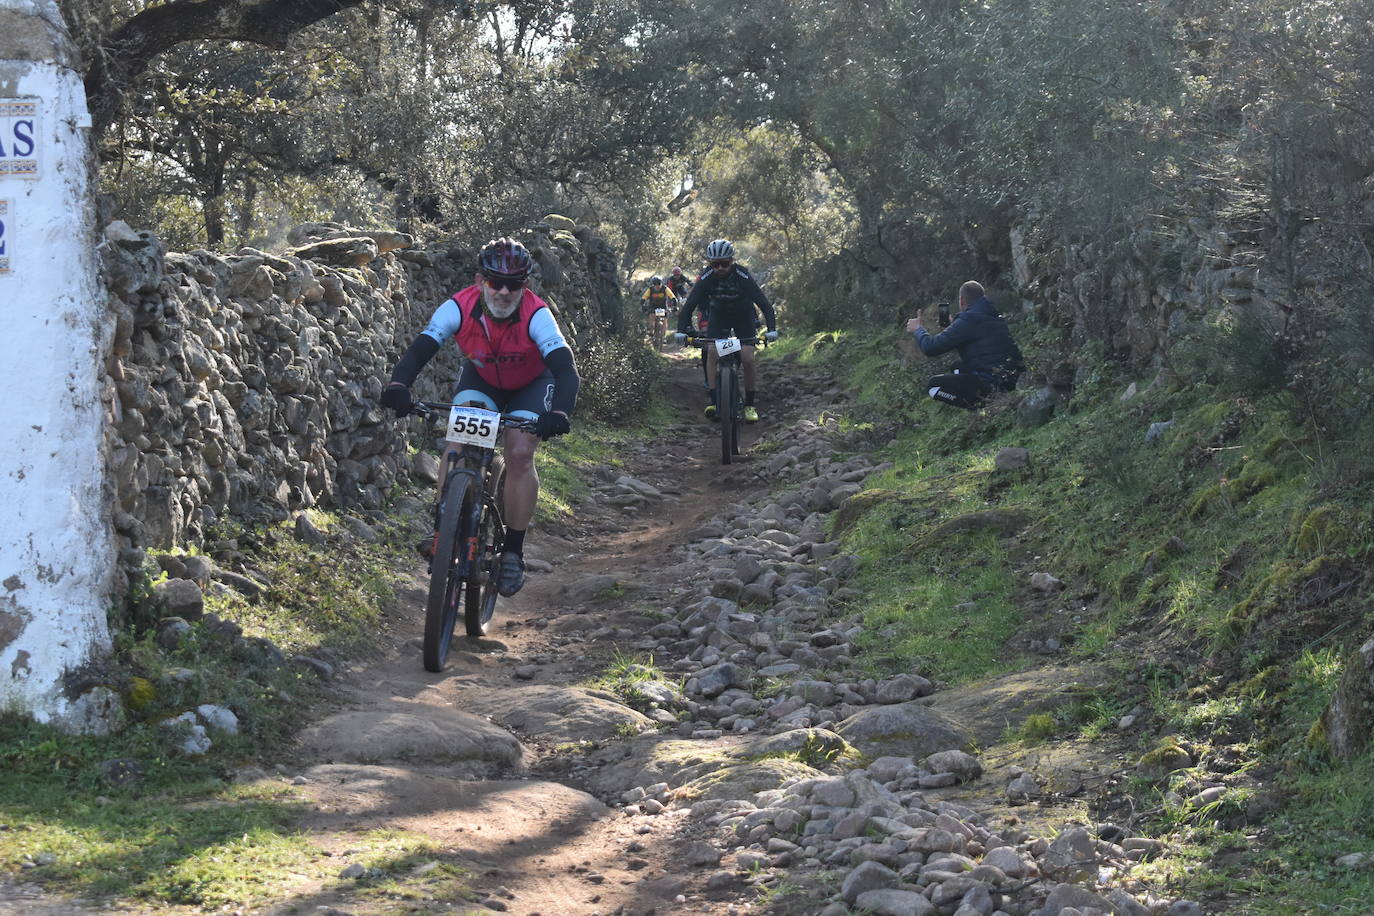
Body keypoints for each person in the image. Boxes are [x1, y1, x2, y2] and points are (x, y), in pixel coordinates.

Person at [381, 237, 579, 597]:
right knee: (459, 440)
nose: (504, 291)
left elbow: (566, 370)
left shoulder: (537, 314)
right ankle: (444, 528)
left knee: (519, 453)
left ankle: (514, 553)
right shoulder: (458, 306)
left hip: (532, 383)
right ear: (479, 280)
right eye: (495, 282)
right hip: (483, 378)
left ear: (526, 286)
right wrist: (399, 385)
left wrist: (559, 412)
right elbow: (421, 348)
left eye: (514, 284)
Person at [675, 239, 778, 422]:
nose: (720, 268)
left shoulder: (742, 275)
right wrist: (681, 331)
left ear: (732, 261)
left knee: (747, 357)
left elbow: (763, 303)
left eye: (725, 263)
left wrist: (771, 329)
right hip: (719, 316)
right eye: (716, 264)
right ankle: (714, 401)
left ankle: (750, 406)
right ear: (710, 264)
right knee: (713, 350)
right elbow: (690, 304)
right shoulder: (707, 277)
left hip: (743, 316)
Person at [906, 280, 1023, 409]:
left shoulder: (967, 321)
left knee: (933, 386)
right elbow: (978, 343)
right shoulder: (993, 315)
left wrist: (918, 330)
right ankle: (979, 398)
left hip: (993, 383)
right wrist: (952, 327)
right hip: (1014, 377)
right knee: (958, 367)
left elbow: (930, 348)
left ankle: (981, 406)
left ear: (962, 300)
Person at [640, 275, 678, 346]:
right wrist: (642, 305)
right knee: (651, 316)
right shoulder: (650, 289)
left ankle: (663, 337)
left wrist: (675, 306)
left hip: (663, 307)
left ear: (661, 283)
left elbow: (673, 297)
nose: (657, 286)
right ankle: (651, 331)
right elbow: (643, 298)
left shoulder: (665, 289)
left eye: (659, 284)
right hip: (653, 307)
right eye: (655, 285)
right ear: (653, 284)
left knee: (664, 320)